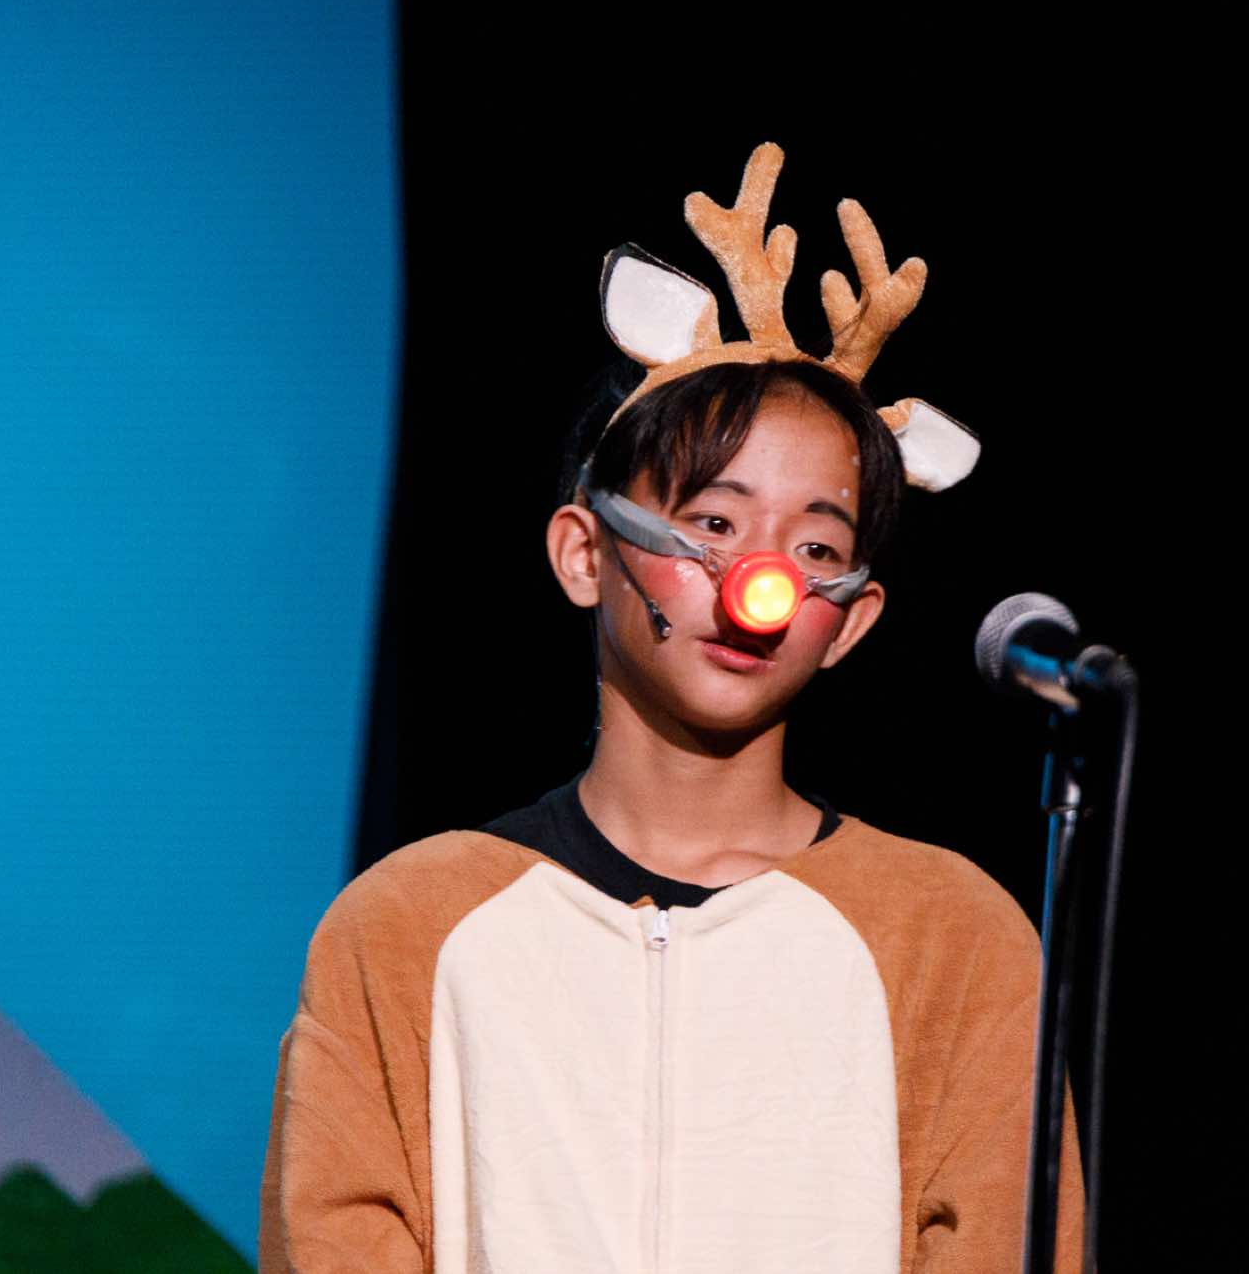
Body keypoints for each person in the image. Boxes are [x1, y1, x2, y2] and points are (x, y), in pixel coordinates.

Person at [257, 144, 1083, 1273]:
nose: (760, 584)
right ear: (584, 553)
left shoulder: (951, 937)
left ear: (850, 621)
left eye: (816, 549)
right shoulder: (408, 924)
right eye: (711, 524)